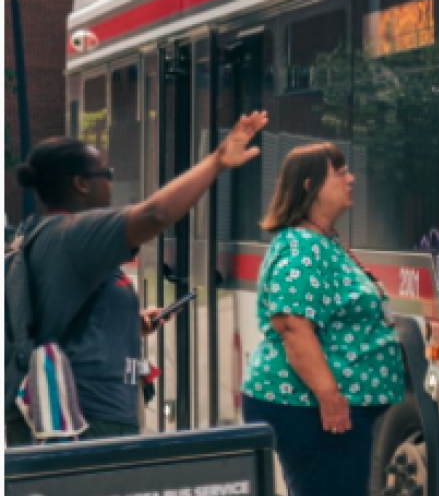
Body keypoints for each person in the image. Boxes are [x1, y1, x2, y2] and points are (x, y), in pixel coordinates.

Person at [6, 112, 269, 445]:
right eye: (107, 173)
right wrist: (217, 162)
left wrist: (131, 322)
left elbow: (63, 313)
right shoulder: (73, 234)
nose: (111, 182)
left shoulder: (52, 237)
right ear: (81, 184)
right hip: (87, 423)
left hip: (92, 416)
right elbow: (154, 214)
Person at [241, 143, 403, 496]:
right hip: (311, 409)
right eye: (340, 172)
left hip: (323, 410)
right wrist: (331, 399)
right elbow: (293, 328)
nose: (351, 178)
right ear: (309, 184)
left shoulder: (323, 241)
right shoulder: (301, 247)